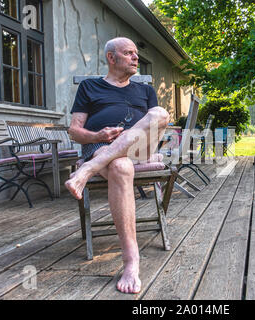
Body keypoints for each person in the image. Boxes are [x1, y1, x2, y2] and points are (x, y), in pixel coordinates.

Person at [65, 37, 170, 294]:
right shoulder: (90, 87)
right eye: (128, 53)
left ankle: (86, 170)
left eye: (136, 53)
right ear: (111, 58)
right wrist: (99, 136)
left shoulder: (145, 91)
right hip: (101, 147)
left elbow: (155, 125)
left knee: (159, 113)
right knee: (120, 166)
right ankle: (131, 261)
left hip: (140, 149)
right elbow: (74, 131)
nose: (136, 58)